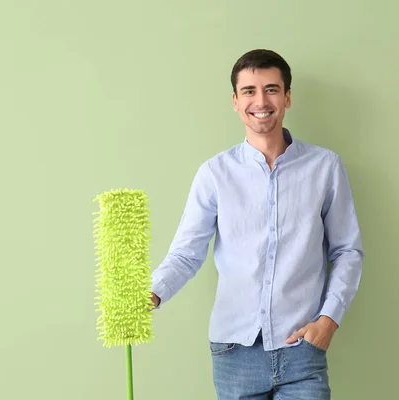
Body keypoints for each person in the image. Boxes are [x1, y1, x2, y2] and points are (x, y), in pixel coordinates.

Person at [150, 49, 364, 399]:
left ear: (287, 97)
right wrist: (151, 293)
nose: (260, 100)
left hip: (302, 350)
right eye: (249, 91)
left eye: (271, 89)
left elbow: (347, 251)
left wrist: (328, 320)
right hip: (234, 353)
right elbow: (187, 253)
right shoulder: (214, 174)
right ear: (235, 101)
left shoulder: (325, 167)